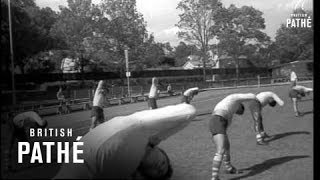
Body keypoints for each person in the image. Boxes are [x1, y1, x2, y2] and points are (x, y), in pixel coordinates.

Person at [53, 103, 196, 179]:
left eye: (157, 172)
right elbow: (188, 111)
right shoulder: (142, 128)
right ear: (161, 152)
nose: (159, 166)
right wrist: (157, 139)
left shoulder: (128, 168)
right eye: (164, 163)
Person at [209, 93, 256, 180]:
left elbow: (225, 125)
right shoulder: (233, 99)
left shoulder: (230, 110)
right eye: (241, 110)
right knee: (221, 150)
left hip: (217, 122)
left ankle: (229, 168)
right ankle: (214, 177)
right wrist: (256, 98)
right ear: (239, 105)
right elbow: (251, 96)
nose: (240, 112)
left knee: (226, 147)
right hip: (217, 121)